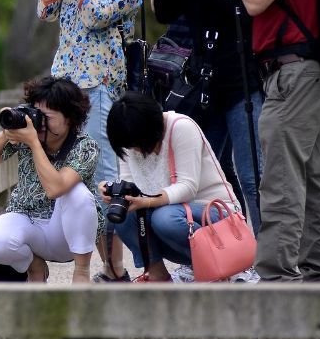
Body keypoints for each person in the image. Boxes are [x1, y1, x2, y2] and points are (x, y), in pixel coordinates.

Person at [202, 0, 320, 283]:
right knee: (311, 177)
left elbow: (256, 2)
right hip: (300, 76)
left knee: (277, 178)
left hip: (293, 77)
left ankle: (276, 274)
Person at [37, 0, 144, 281]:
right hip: (63, 89)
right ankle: (105, 265)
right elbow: (44, 11)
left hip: (100, 86)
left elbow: (95, 15)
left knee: (103, 177)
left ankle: (116, 266)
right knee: (77, 178)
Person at [151, 0, 264, 233]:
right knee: (203, 177)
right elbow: (163, 12)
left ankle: (263, 254)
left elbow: (231, 15)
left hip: (241, 85)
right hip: (205, 89)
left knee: (250, 175)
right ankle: (214, 247)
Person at [0, 76, 103, 284]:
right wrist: (7, 132)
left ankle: (82, 271)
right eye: (36, 113)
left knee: (79, 194)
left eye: (46, 116)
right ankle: (34, 265)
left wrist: (33, 143)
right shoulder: (26, 137)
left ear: (70, 118)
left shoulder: (85, 146)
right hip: (27, 220)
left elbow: (55, 188)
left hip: (66, 235)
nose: (39, 122)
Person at [102, 92, 244, 282]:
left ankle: (216, 270)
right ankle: (157, 273)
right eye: (129, 146)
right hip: (178, 221)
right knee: (124, 213)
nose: (134, 150)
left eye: (136, 144)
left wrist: (148, 202)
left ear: (150, 129)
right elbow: (132, 184)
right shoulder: (130, 138)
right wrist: (117, 193)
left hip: (217, 215)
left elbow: (188, 187)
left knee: (165, 218)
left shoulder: (180, 127)